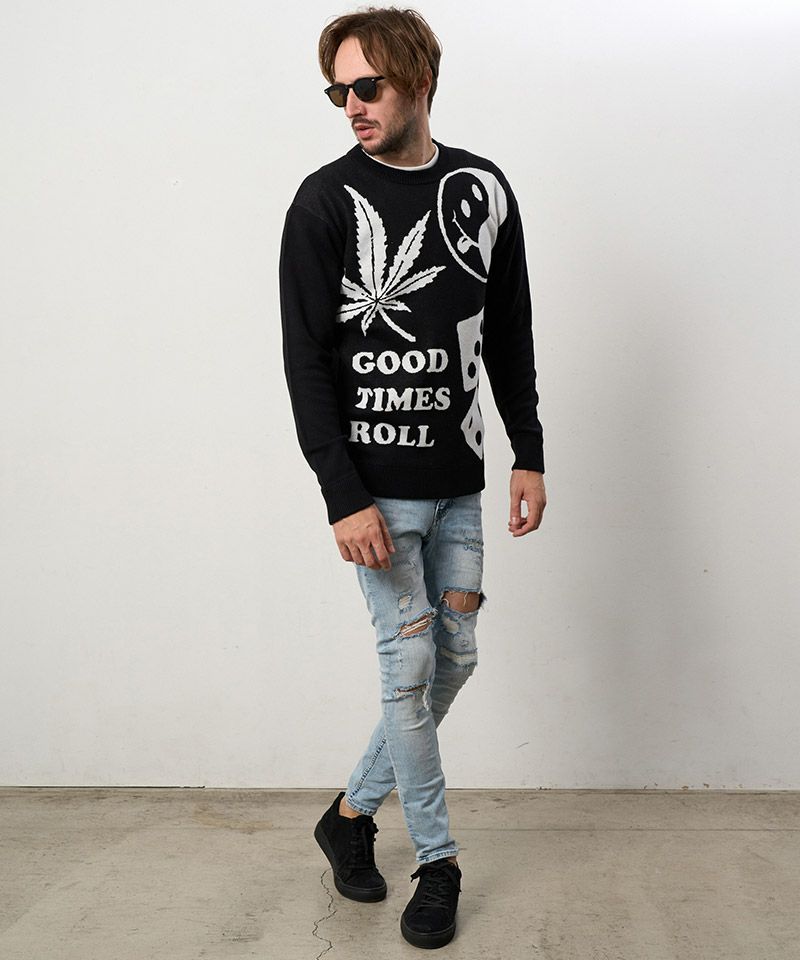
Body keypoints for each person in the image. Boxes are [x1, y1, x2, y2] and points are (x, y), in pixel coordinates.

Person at [278, 5, 546, 949]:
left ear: (418, 81)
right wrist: (342, 496)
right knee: (411, 668)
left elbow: (507, 328)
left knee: (456, 656)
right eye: (337, 91)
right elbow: (307, 362)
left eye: (368, 86)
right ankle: (438, 861)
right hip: (376, 493)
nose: (351, 105)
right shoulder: (322, 203)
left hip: (458, 480)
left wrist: (529, 451)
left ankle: (350, 814)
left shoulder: (482, 188)